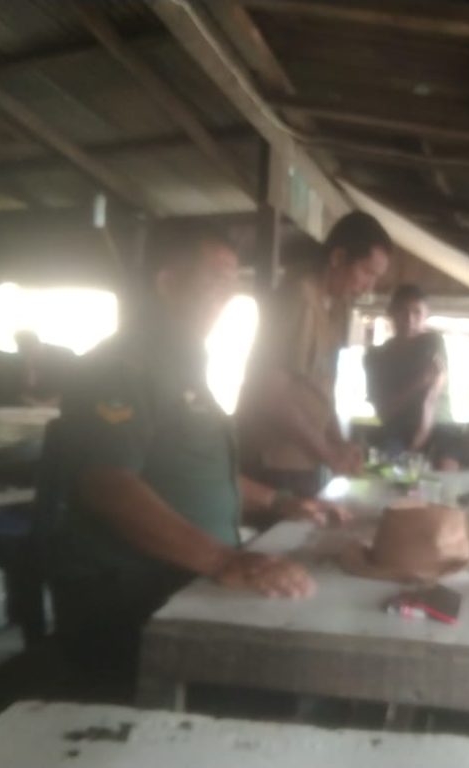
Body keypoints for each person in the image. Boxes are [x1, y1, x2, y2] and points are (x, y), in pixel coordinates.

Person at [50, 220, 342, 688]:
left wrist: (279, 501)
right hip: (130, 592)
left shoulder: (185, 365)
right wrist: (223, 561)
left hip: (185, 576)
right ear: (168, 284)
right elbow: (110, 485)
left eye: (233, 282)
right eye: (216, 280)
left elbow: (196, 468)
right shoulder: (122, 367)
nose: (228, 295)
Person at [239, 211, 392, 497]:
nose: (369, 286)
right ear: (338, 258)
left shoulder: (332, 308)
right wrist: (328, 453)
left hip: (300, 461)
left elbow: (319, 390)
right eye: (367, 272)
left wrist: (339, 442)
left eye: (375, 278)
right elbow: (273, 394)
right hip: (273, 462)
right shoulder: (298, 299)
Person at [364, 284, 462, 469]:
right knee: (387, 469)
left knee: (446, 467)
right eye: (402, 312)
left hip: (439, 424)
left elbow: (431, 395)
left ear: (426, 315)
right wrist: (419, 382)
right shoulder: (375, 356)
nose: (409, 320)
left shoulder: (432, 342)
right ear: (391, 313)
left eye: (417, 313)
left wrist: (419, 437)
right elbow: (383, 411)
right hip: (396, 429)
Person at [13, 330, 75, 406]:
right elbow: (18, 389)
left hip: (62, 404)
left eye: (29, 351)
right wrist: (33, 403)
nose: (29, 357)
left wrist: (51, 404)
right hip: (30, 407)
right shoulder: (18, 359)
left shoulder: (64, 355)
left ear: (37, 344)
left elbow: (72, 384)